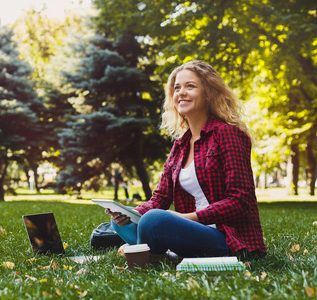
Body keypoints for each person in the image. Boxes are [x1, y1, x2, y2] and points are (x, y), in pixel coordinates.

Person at [105, 60, 266, 260]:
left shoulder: (227, 134)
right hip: (193, 234)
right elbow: (160, 199)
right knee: (123, 221)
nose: (181, 92)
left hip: (228, 238)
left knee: (154, 221)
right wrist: (130, 212)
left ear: (208, 93)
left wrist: (186, 218)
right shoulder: (180, 145)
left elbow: (239, 200)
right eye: (177, 88)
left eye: (190, 86)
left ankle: (149, 254)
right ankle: (152, 252)